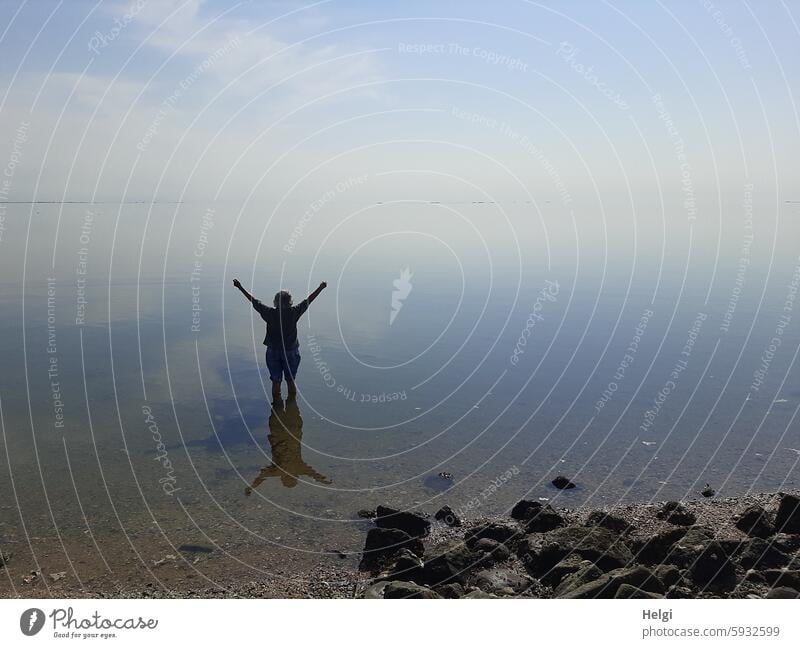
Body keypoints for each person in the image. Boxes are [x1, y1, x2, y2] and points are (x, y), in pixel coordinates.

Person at [233, 278, 326, 399]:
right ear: (290, 302)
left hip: (273, 351)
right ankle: (291, 405)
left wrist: (240, 287)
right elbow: (309, 300)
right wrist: (320, 288)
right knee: (290, 380)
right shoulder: (294, 312)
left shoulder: (269, 313)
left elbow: (253, 301)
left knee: (276, 381)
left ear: (275, 302)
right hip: (290, 351)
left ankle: (276, 407)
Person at [245, 396, 330, 492]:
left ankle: (283, 393)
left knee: (281, 403)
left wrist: (251, 487)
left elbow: (261, 477)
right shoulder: (296, 469)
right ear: (295, 476)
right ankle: (285, 394)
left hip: (283, 434)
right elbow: (314, 474)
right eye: (291, 477)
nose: (289, 475)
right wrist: (322, 480)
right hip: (286, 433)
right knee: (283, 402)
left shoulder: (287, 470)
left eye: (288, 478)